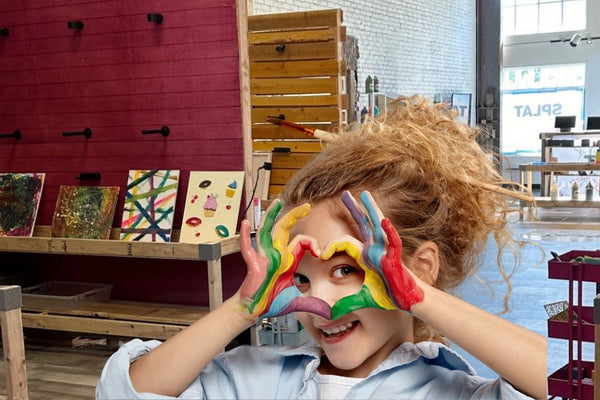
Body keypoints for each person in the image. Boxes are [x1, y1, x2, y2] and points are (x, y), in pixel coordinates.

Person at [96, 96, 546, 399]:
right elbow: (124, 392)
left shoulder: (451, 391)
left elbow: (573, 382)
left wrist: (421, 298)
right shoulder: (258, 376)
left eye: (346, 270)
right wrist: (241, 308)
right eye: (301, 277)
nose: (320, 305)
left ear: (419, 268)